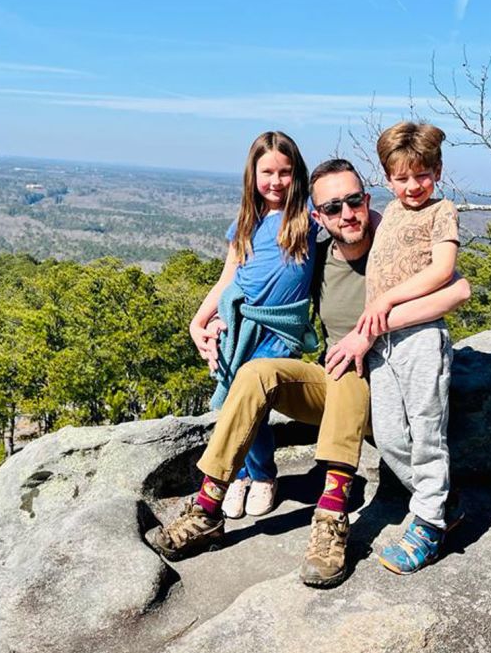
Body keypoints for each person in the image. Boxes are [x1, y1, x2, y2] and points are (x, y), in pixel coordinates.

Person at [151, 158, 470, 588]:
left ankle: (332, 517)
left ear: (368, 200)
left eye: (354, 201)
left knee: (347, 365)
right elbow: (248, 276)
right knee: (256, 374)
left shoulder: (391, 243)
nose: (347, 214)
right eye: (333, 207)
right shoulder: (318, 256)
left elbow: (458, 289)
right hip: (339, 393)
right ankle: (208, 509)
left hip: (391, 389)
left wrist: (367, 332)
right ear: (318, 216)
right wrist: (212, 319)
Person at [187, 130, 319, 519]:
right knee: (233, 401)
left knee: (253, 403)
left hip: (278, 329)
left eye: (285, 172)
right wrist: (198, 322)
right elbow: (229, 278)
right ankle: (240, 475)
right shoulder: (246, 222)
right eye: (267, 172)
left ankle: (263, 476)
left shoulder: (307, 216)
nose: (276, 182)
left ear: (297, 175)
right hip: (238, 324)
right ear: (253, 174)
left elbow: (353, 215)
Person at [358, 121, 460, 575]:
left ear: (436, 170)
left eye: (421, 175)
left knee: (426, 430)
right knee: (390, 435)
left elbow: (443, 272)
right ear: (386, 178)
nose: (413, 186)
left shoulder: (442, 212)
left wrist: (387, 300)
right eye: (401, 177)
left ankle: (428, 525)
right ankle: (442, 501)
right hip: (384, 344)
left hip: (421, 337)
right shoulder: (391, 212)